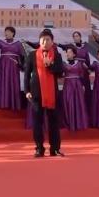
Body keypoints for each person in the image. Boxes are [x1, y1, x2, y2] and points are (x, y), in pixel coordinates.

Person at [24, 29, 65, 157]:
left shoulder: (57, 56)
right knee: (37, 122)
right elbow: (26, 74)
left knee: (54, 122)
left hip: (52, 93)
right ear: (39, 41)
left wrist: (50, 65)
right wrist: (27, 91)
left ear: (52, 42)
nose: (45, 42)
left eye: (47, 40)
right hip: (36, 93)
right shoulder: (32, 55)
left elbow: (60, 73)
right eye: (43, 40)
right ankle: (39, 148)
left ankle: (55, 149)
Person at [0, 26, 26, 110]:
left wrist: (22, 66)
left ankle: (14, 104)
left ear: (13, 33)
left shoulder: (18, 44)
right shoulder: (1, 42)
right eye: (5, 32)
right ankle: (3, 103)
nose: (6, 33)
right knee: (4, 82)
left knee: (13, 83)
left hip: (13, 67)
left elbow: (22, 56)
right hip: (3, 66)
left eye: (8, 32)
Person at [60, 46, 89, 131]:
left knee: (78, 102)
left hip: (77, 84)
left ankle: (79, 123)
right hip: (68, 85)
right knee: (69, 102)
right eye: (67, 52)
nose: (68, 54)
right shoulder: (63, 63)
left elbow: (82, 74)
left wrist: (83, 85)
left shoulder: (79, 63)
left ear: (74, 54)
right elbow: (60, 73)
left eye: (70, 52)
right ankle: (70, 123)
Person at [59, 31, 92, 95]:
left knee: (85, 86)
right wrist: (58, 44)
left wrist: (88, 67)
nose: (75, 38)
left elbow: (88, 60)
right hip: (76, 69)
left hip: (84, 69)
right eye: (74, 37)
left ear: (80, 37)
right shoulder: (72, 46)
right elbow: (63, 46)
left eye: (77, 36)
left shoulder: (85, 47)